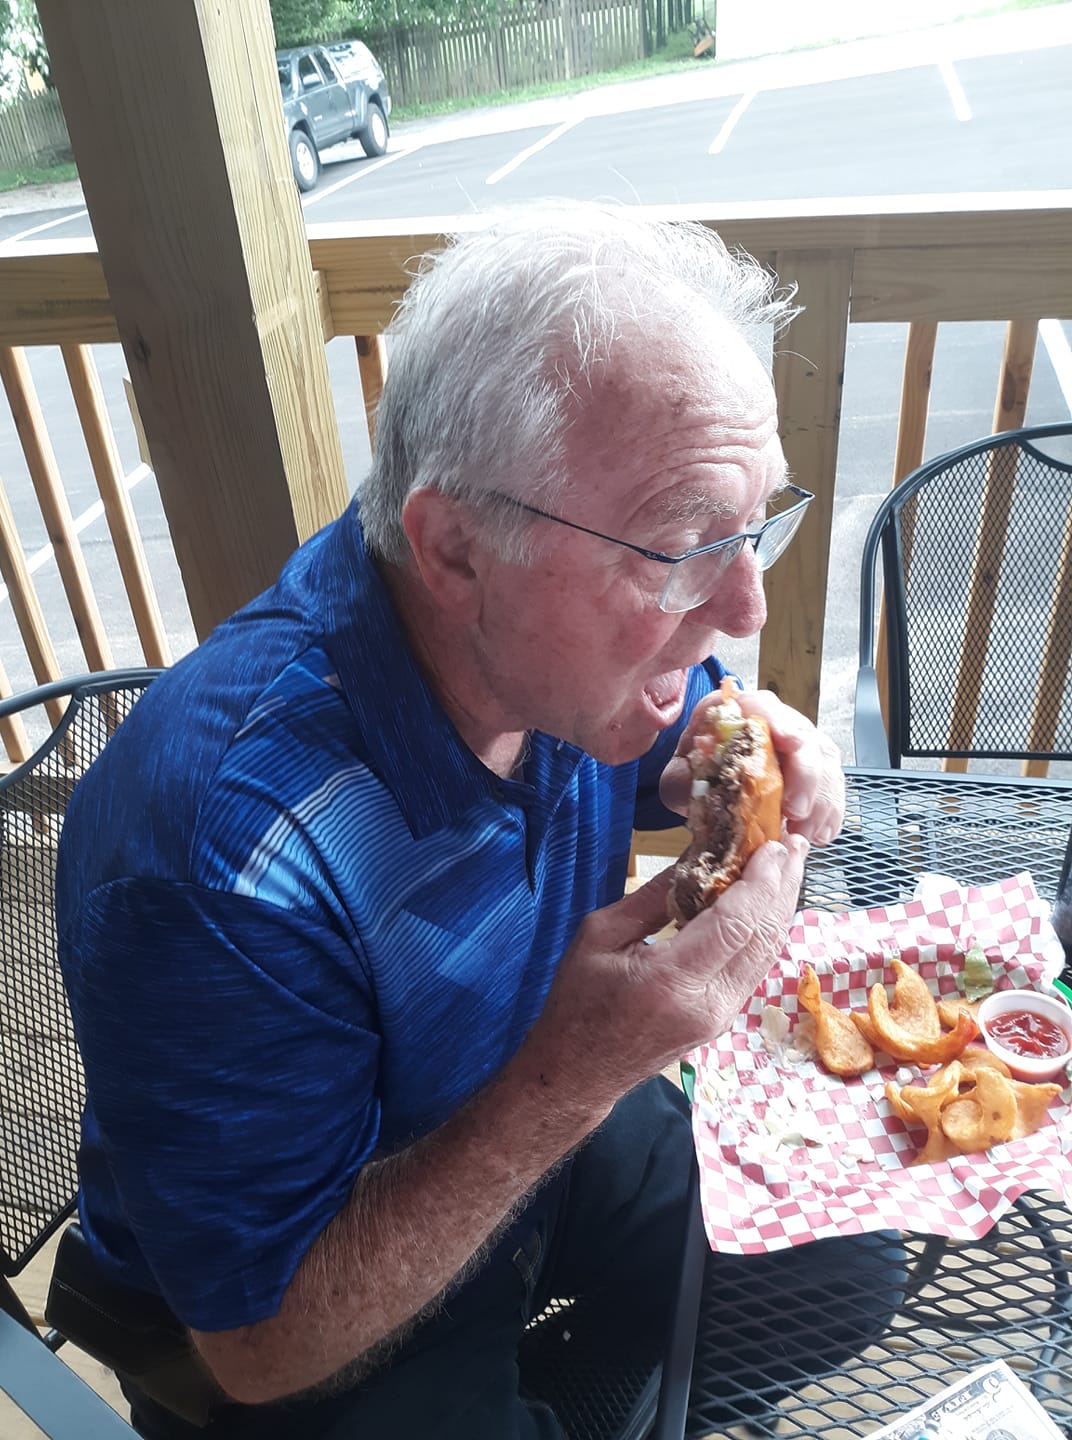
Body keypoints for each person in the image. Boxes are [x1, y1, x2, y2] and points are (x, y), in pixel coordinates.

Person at [56, 203, 905, 1439]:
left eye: (751, 527)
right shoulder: (221, 861)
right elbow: (258, 1348)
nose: (742, 609)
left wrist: (743, 762)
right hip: (308, 1288)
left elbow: (682, 735)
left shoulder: (547, 640)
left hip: (526, 1104)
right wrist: (575, 1078)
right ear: (454, 551)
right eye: (679, 550)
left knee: (844, 1263)